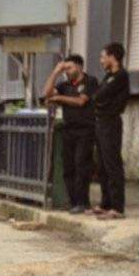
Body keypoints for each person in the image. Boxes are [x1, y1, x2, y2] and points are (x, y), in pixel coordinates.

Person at [43, 54, 98, 213]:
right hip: (69, 130)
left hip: (85, 130)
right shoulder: (64, 84)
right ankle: (73, 201)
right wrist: (55, 72)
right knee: (68, 167)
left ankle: (83, 202)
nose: (66, 71)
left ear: (79, 67)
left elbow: (81, 101)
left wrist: (59, 97)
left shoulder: (89, 81)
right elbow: (47, 94)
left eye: (69, 68)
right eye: (64, 68)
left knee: (82, 165)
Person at [92, 42, 131, 219]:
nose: (101, 60)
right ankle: (105, 203)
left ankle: (117, 207)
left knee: (112, 163)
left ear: (112, 56)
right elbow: (98, 96)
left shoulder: (120, 75)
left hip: (111, 123)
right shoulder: (108, 76)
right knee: (102, 164)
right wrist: (98, 99)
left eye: (103, 56)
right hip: (101, 122)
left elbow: (100, 96)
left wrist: (99, 100)